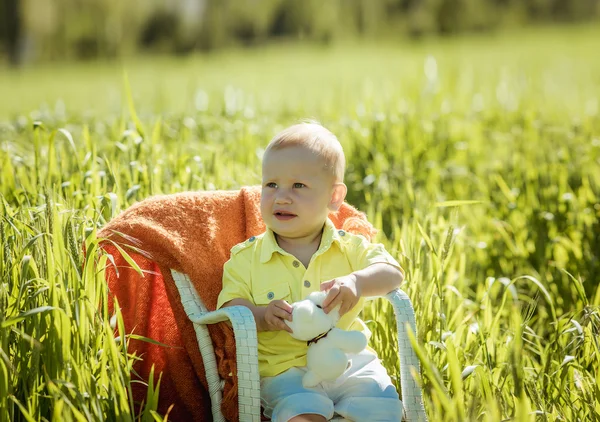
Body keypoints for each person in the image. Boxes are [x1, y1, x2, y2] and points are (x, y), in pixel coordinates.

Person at [217, 122, 405, 422]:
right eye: (271, 185)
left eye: (298, 186)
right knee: (301, 415)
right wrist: (262, 315)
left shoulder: (349, 246)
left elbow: (392, 272)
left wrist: (356, 281)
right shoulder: (245, 257)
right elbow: (230, 308)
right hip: (283, 371)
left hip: (349, 361)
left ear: (334, 197)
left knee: (382, 410)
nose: (281, 197)